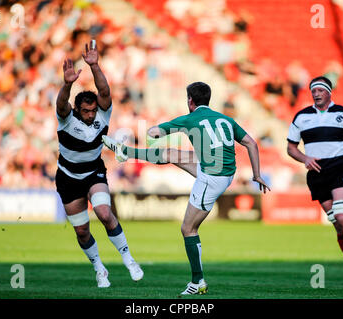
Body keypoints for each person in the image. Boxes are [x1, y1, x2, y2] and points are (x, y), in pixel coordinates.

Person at [103, 81, 270, 295]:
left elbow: (154, 133)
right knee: (172, 154)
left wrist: (152, 132)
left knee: (188, 229)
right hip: (224, 171)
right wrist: (257, 175)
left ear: (190, 100)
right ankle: (125, 152)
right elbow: (252, 144)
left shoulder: (189, 119)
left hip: (211, 178)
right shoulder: (226, 120)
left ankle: (198, 281)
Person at [55, 40, 143, 288]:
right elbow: (61, 103)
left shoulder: (102, 113)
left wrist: (95, 66)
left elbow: (104, 92)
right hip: (67, 177)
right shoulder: (66, 118)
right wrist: (67, 84)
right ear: (78, 109)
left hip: (93, 172)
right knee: (82, 231)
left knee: (105, 213)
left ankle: (129, 259)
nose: (91, 114)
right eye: (86, 111)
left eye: (93, 110)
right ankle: (99, 268)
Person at [287, 76, 343, 285]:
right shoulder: (301, 117)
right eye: (313, 91)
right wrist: (305, 158)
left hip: (338, 167)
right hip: (316, 173)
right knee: (337, 223)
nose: (316, 94)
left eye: (320, 90)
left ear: (329, 92)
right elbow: (290, 148)